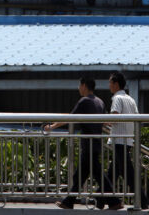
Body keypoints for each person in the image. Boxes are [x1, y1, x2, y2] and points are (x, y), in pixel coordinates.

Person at [44, 77, 114, 209]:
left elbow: (70, 118)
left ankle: (114, 201)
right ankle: (68, 202)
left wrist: (52, 126)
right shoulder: (100, 101)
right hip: (97, 143)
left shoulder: (84, 101)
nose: (78, 88)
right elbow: (105, 121)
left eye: (79, 85)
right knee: (80, 175)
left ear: (84, 86)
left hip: (88, 144)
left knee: (97, 175)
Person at [101, 71, 147, 210]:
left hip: (119, 140)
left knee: (128, 174)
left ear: (116, 84)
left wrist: (102, 122)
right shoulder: (131, 99)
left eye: (110, 82)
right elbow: (137, 118)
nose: (109, 85)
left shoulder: (117, 99)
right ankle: (100, 200)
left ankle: (143, 201)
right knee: (112, 173)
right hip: (127, 140)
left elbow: (114, 117)